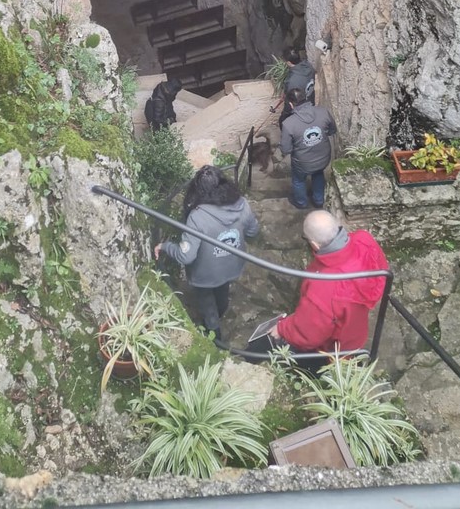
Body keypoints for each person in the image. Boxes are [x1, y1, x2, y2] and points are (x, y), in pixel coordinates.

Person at [154, 165, 259, 340]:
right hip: (232, 265)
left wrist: (166, 246)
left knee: (206, 301)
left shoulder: (197, 217)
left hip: (204, 273)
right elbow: (253, 231)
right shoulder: (241, 204)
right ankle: (221, 310)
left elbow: (186, 256)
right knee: (222, 288)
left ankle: (214, 335)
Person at [269, 210, 388, 354]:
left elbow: (308, 333)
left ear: (315, 244)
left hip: (337, 346)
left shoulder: (324, 287)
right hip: (356, 329)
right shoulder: (364, 239)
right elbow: (382, 268)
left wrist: (282, 328)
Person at [281, 87, 336, 209]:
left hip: (302, 163)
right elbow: (332, 130)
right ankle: (319, 200)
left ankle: (301, 202)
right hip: (323, 158)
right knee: (318, 173)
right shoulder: (323, 112)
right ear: (305, 98)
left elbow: (285, 149)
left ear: (291, 104)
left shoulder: (288, 124)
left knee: (298, 180)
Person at [270, 47, 316, 128]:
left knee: (284, 123)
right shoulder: (309, 67)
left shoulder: (292, 81)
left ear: (288, 62)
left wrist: (285, 115)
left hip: (299, 109)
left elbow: (289, 104)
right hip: (310, 102)